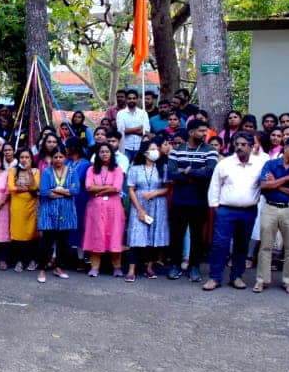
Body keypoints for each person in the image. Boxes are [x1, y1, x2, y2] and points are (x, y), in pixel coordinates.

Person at [204, 133, 264, 291]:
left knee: (242, 245)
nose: (239, 147)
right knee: (219, 245)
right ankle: (214, 277)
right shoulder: (225, 164)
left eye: (244, 144)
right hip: (226, 211)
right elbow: (215, 186)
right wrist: (216, 207)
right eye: (237, 144)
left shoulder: (260, 164)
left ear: (252, 147)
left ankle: (236, 277)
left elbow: (265, 184)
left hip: (248, 211)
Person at [167, 120, 218, 281]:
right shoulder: (176, 150)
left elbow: (210, 172)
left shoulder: (210, 150)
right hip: (179, 201)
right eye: (201, 131)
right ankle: (175, 265)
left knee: (197, 236)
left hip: (200, 201)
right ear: (191, 132)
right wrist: (196, 172)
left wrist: (187, 171)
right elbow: (172, 173)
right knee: (177, 235)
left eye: (206, 131)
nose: (205, 134)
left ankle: (194, 267)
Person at [254, 137, 289, 294]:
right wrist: (288, 179)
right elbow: (264, 185)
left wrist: (277, 183)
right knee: (265, 246)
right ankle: (261, 280)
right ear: (285, 147)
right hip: (270, 207)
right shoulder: (270, 164)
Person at [126, 140, 169, 280]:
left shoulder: (163, 167)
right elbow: (131, 189)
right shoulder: (135, 168)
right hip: (139, 202)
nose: (156, 151)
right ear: (145, 152)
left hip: (158, 204)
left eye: (157, 148)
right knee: (136, 236)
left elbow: (168, 188)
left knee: (153, 235)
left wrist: (154, 193)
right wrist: (139, 209)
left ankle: (149, 267)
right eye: (152, 149)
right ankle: (131, 269)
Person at [83, 143, 126, 278]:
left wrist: (99, 189)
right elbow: (89, 187)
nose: (105, 154)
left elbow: (117, 188)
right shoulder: (91, 170)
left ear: (112, 154)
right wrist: (107, 187)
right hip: (95, 208)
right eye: (102, 152)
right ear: (97, 154)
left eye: (107, 152)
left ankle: (117, 267)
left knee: (115, 235)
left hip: (114, 208)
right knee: (96, 235)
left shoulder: (117, 169)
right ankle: (95, 267)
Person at [37, 149, 79, 283]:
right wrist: (65, 192)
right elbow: (43, 191)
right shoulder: (47, 172)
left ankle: (59, 268)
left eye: (61, 156)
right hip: (49, 210)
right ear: (52, 158)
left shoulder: (72, 171)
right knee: (47, 242)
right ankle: (42, 269)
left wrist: (54, 189)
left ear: (65, 157)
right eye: (55, 157)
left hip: (66, 211)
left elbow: (76, 190)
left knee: (62, 242)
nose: (58, 159)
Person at [8, 149, 40, 272]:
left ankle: (32, 260)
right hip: (17, 206)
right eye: (22, 157)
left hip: (32, 206)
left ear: (31, 159)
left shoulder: (36, 171)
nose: (24, 159)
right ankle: (19, 261)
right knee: (18, 234)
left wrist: (28, 172)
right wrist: (24, 188)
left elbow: (35, 186)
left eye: (27, 157)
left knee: (31, 234)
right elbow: (11, 187)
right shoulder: (13, 171)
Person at [115, 89, 149, 160]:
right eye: (129, 98)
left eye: (134, 98)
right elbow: (121, 131)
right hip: (126, 147)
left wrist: (129, 130)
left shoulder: (143, 113)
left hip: (140, 147)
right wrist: (138, 128)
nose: (131, 100)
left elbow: (146, 131)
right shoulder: (121, 114)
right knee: (125, 169)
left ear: (137, 99)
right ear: (126, 100)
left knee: (138, 169)